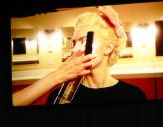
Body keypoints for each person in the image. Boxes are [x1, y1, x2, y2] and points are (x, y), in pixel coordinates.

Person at [12, 6, 146, 106]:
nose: (74, 49)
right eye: (74, 43)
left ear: (108, 48)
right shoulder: (57, 97)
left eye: (83, 41)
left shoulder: (134, 96)